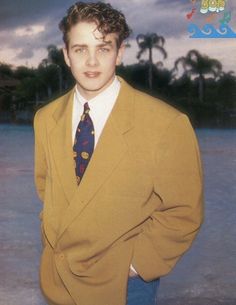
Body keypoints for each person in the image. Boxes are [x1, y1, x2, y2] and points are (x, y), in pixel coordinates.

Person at [34, 2, 204, 305]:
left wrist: (136, 264)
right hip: (57, 278)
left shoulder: (166, 124)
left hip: (124, 286)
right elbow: (47, 187)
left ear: (120, 52)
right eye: (80, 49)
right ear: (65, 55)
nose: (91, 61)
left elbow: (184, 212)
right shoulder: (46, 118)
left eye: (103, 48)